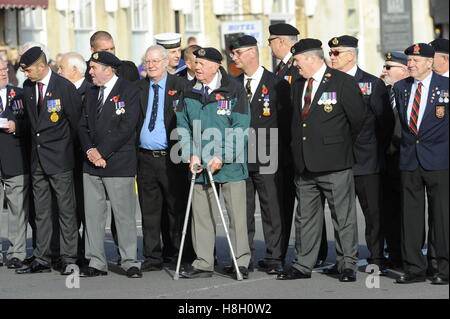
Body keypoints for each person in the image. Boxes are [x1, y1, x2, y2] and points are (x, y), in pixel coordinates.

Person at [277, 39, 366, 282]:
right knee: (305, 216)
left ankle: (347, 263)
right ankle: (302, 264)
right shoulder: (297, 85)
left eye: (297, 61)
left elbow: (357, 120)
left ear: (311, 58)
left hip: (334, 161)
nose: (295, 66)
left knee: (343, 216)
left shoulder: (342, 82)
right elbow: (296, 120)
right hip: (304, 163)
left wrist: (338, 144)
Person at [177, 47, 251, 279]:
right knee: (202, 214)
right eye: (195, 62)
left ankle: (241, 261)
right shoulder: (188, 91)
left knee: (236, 215)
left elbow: (240, 127)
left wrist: (223, 155)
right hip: (200, 162)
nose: (197, 67)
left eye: (202, 63)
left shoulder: (234, 89)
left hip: (229, 161)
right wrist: (191, 154)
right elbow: (183, 126)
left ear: (216, 65)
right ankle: (203, 263)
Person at [327, 35, 394, 274]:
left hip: (367, 159)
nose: (331, 57)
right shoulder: (327, 82)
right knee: (342, 216)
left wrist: (377, 149)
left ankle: (376, 256)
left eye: (336, 53)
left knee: (373, 213)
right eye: (330, 53)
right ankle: (345, 259)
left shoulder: (371, 83)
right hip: (338, 161)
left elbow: (385, 122)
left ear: (350, 55)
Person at [15, 47, 81, 275]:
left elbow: (75, 124)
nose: (25, 74)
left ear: (42, 66)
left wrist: (65, 149)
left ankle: (68, 257)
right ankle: (42, 258)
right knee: (41, 212)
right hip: (38, 160)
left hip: (60, 159)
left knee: (65, 211)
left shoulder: (64, 87)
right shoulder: (27, 87)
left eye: (28, 69)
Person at [78, 51, 142, 278]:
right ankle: (96, 261)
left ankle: (129, 261)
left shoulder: (130, 89)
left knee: (123, 215)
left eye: (94, 68)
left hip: (118, 161)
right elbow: (82, 125)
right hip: (92, 163)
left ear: (108, 69)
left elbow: (127, 126)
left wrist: (102, 152)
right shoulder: (90, 90)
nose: (90, 72)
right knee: (93, 215)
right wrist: (90, 151)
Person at [230, 35, 290, 274]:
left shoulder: (276, 84)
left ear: (252, 53)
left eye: (237, 53)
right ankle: (243, 258)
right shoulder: (233, 84)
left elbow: (285, 123)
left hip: (268, 154)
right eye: (232, 54)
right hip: (240, 157)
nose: (234, 58)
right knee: (241, 211)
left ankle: (275, 257)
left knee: (271, 208)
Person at [394, 43, 448, 285]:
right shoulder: (400, 88)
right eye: (409, 60)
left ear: (430, 62)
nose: (410, 64)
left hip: (439, 159)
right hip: (409, 159)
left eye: (416, 60)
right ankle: (415, 267)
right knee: (411, 217)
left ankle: (444, 268)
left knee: (443, 216)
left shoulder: (446, 86)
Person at [136, 45, 191, 270]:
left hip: (172, 156)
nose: (151, 65)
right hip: (145, 157)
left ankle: (179, 254)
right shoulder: (138, 88)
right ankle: (152, 256)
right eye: (147, 62)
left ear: (167, 61)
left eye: (155, 61)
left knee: (175, 208)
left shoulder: (181, 86)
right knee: (149, 210)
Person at [267, 22, 305, 265]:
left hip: (296, 147)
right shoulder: (281, 68)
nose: (268, 46)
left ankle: (315, 253)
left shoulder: (297, 67)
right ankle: (279, 252)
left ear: (281, 41)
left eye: (270, 41)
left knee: (307, 205)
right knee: (283, 202)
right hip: (280, 148)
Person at [57, 52, 93, 266]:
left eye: (61, 68)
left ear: (74, 70)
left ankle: (88, 253)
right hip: (65, 159)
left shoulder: (90, 91)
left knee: (86, 208)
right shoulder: (60, 90)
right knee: (69, 209)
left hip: (85, 158)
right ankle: (74, 252)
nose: (58, 72)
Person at [381, 51, 410, 269]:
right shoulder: (386, 92)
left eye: (389, 67)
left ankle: (410, 251)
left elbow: (403, 120)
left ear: (403, 70)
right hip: (383, 160)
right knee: (388, 208)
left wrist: (395, 142)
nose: (384, 71)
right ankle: (394, 251)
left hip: (403, 157)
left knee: (406, 209)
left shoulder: (409, 91)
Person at [0, 59, 29, 269]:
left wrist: (16, 125)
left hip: (14, 158)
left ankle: (17, 251)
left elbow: (31, 121)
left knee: (18, 208)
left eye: (5, 69)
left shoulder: (18, 94)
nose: (3, 73)